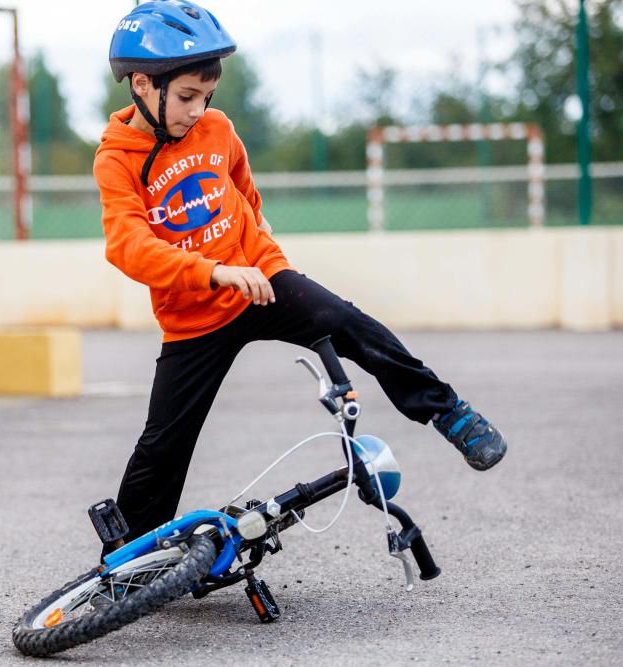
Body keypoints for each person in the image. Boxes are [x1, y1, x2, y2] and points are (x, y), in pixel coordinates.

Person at [93, 0, 507, 548]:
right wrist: (212, 272)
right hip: (195, 314)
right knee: (164, 440)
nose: (198, 109)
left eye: (206, 97)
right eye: (187, 97)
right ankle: (128, 559)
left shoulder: (217, 131)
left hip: (259, 281)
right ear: (143, 84)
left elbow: (244, 193)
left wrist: (263, 256)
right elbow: (128, 247)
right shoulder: (118, 159)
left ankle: (448, 412)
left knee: (345, 321)